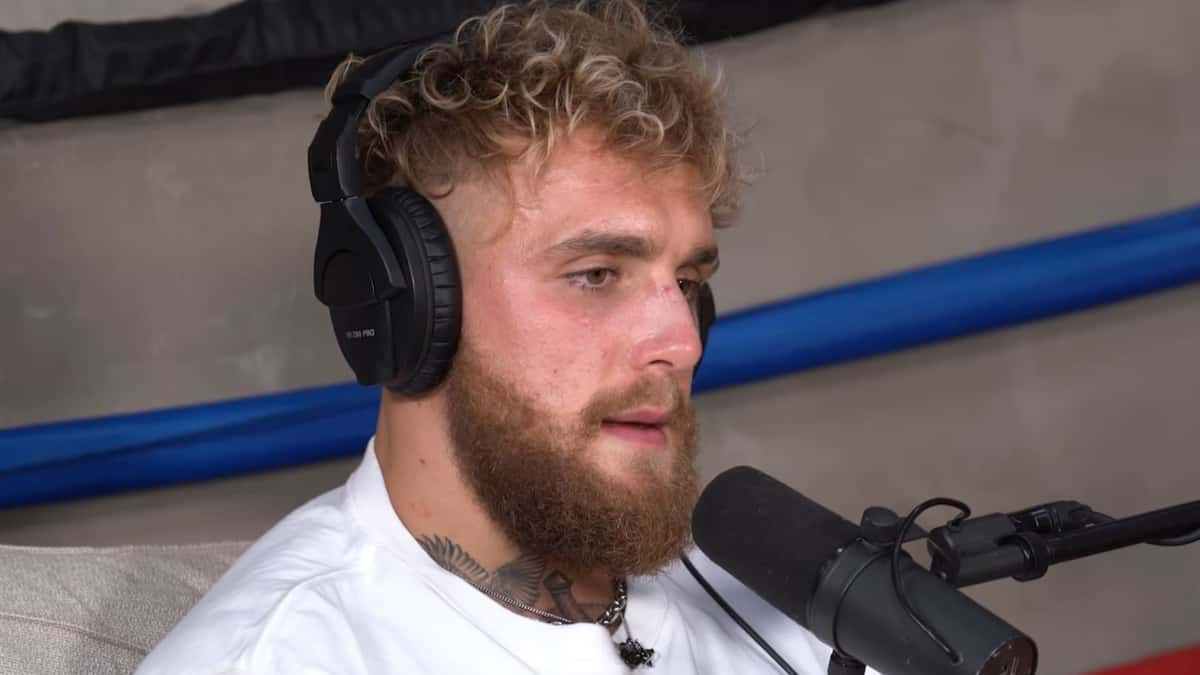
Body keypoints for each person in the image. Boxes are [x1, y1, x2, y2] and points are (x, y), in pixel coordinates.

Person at [137, 2, 870, 673]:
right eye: (595, 274)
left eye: (686, 282)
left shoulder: (781, 605)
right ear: (410, 306)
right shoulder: (284, 657)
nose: (683, 343)